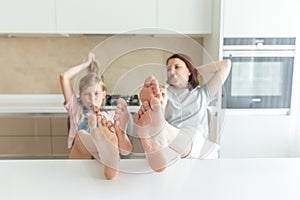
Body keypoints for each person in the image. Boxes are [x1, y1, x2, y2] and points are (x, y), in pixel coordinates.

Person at [136, 53, 231, 171]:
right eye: (168, 69)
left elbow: (226, 65)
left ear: (189, 70)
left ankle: (157, 131)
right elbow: (161, 112)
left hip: (197, 150)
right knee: (159, 115)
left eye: (177, 67)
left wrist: (195, 70)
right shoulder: (164, 92)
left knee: (189, 136)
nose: (171, 71)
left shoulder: (203, 93)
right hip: (172, 147)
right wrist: (159, 104)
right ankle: (158, 131)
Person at [59, 52, 132, 179]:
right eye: (87, 94)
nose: (92, 99)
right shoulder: (76, 109)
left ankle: (106, 150)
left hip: (101, 161)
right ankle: (102, 146)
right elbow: (64, 77)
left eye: (96, 93)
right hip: (81, 157)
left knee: (107, 128)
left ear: (104, 94)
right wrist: (85, 64)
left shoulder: (110, 115)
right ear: (80, 95)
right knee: (81, 136)